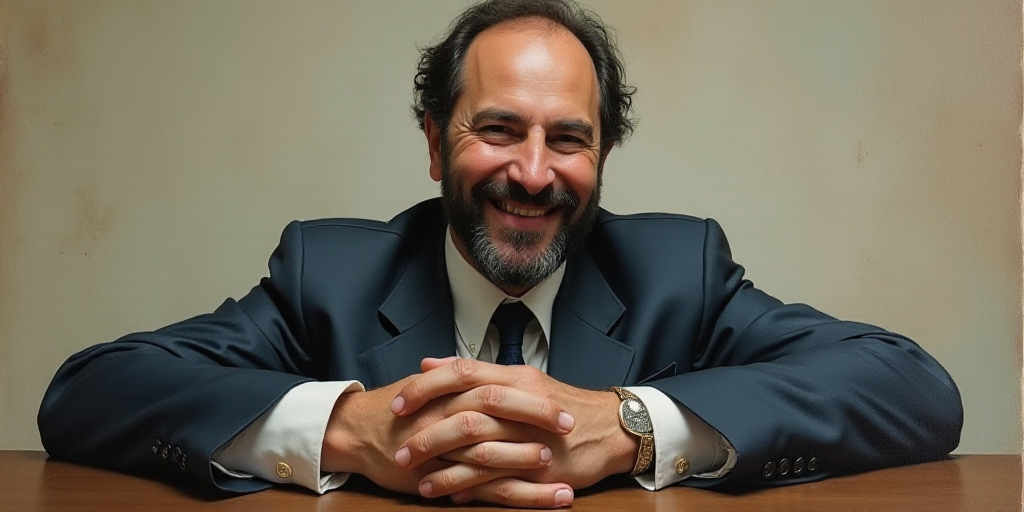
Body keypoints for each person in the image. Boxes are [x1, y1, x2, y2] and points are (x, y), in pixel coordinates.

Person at [37, 0, 963, 509]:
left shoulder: (682, 269)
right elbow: (90, 391)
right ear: (437, 144)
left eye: (569, 138)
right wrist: (347, 433)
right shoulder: (334, 274)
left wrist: (634, 425)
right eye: (496, 130)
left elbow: (913, 388)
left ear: (602, 158)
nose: (532, 173)